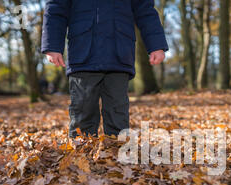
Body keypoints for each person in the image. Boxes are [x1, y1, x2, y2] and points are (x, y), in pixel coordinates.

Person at [41, 0, 168, 138]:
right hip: (83, 53)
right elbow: (56, 8)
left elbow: (145, 11)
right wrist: (52, 45)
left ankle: (116, 151)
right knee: (83, 111)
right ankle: (79, 154)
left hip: (119, 54)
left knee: (117, 114)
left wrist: (156, 45)